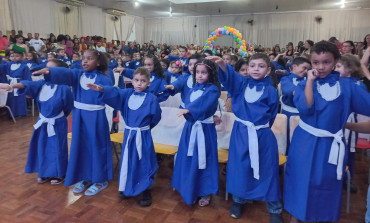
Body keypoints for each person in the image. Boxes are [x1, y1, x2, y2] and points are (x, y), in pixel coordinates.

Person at [284, 41, 370, 223]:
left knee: (326, 184)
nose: (321, 67)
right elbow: (306, 109)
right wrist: (309, 81)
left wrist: (348, 126)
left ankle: (322, 217)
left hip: (331, 145)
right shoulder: (303, 84)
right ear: (311, 63)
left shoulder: (349, 86)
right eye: (316, 62)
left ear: (336, 61)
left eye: (326, 62)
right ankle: (295, 217)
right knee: (300, 181)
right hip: (304, 143)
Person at [209, 53, 282, 223]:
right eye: (253, 65)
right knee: (241, 168)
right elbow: (230, 79)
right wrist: (222, 65)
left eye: (261, 66)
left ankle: (274, 207)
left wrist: (259, 130)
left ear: (268, 69)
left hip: (262, 135)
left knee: (267, 170)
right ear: (247, 69)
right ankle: (239, 200)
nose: (256, 69)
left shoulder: (271, 90)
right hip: (241, 133)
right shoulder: (241, 84)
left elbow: (271, 115)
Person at [32, 49, 114, 196]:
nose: (85, 61)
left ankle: (100, 179)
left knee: (96, 146)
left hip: (96, 117)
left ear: (99, 62)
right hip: (79, 117)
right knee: (80, 146)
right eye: (83, 58)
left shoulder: (104, 78)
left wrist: (103, 90)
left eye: (89, 58)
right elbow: (65, 73)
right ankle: (85, 176)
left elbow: (110, 92)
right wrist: (49, 71)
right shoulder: (77, 75)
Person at [87, 67, 161, 207]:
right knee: (128, 160)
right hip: (129, 134)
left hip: (142, 135)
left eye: (143, 81)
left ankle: (145, 189)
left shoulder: (151, 98)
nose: (139, 84)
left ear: (148, 83)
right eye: (136, 80)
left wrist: (144, 129)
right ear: (132, 81)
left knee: (143, 161)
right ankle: (128, 185)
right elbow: (115, 92)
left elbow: (156, 117)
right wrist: (102, 89)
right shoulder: (127, 94)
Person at [0, 59, 73, 184]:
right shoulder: (41, 84)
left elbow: (68, 107)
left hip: (57, 122)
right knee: (42, 146)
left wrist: (58, 117)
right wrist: (11, 86)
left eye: (49, 70)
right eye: (45, 68)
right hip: (42, 122)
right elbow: (26, 84)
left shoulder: (64, 88)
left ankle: (59, 172)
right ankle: (44, 172)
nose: (45, 71)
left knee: (57, 148)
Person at [170, 59, 220, 206]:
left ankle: (205, 192)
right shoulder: (193, 88)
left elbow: (205, 102)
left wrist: (190, 109)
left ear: (210, 74)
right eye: (198, 72)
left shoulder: (213, 89)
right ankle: (189, 189)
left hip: (205, 130)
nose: (199, 75)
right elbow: (189, 102)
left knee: (204, 160)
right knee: (188, 158)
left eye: (203, 72)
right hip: (190, 128)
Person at [335, 53, 366, 194]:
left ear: (350, 68)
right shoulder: (334, 81)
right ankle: (336, 177)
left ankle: (348, 178)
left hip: (348, 120)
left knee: (349, 150)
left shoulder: (356, 85)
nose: (335, 69)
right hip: (336, 122)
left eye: (339, 66)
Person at [280, 57, 311, 152]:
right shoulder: (285, 79)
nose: (306, 71)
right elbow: (290, 91)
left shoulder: (308, 80)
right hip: (288, 115)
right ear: (294, 66)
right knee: (286, 141)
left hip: (304, 116)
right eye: (304, 68)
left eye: (308, 69)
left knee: (301, 143)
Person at [0, 51, 32, 117]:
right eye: (13, 56)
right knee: (10, 98)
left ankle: (21, 113)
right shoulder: (8, 64)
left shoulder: (24, 66)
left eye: (17, 56)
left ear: (22, 57)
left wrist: (25, 85)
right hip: (10, 83)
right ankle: (11, 113)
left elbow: (27, 77)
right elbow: (1, 68)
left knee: (19, 97)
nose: (15, 58)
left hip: (19, 83)